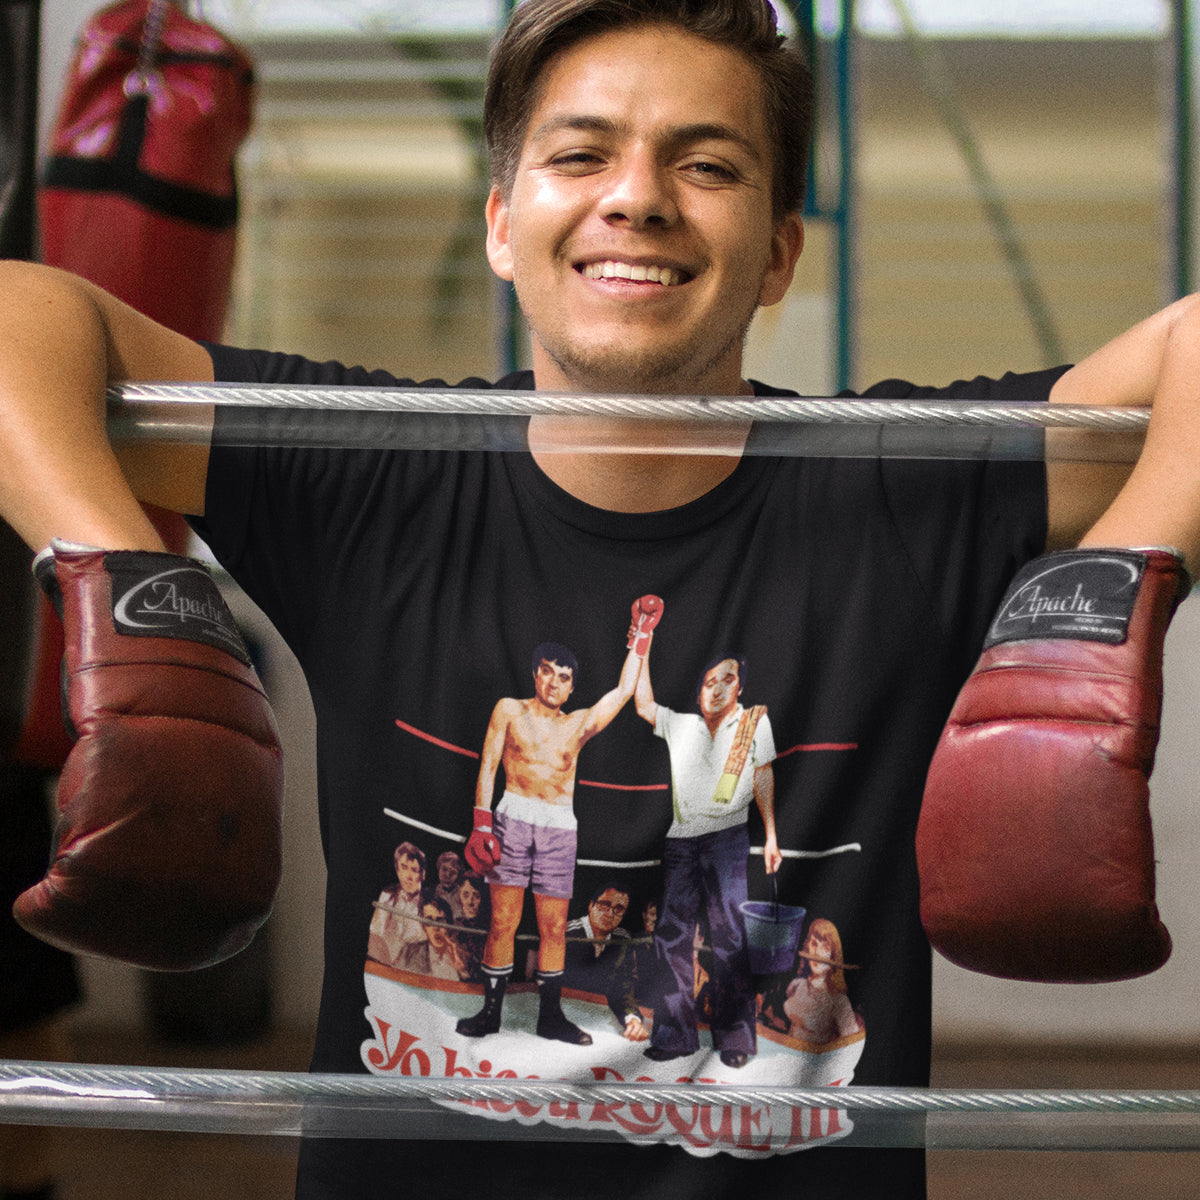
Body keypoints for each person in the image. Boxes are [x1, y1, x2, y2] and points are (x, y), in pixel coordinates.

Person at [1, 0, 1198, 1196]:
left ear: (780, 252)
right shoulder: (376, 479)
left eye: (707, 165)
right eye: (580, 154)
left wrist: (1096, 609)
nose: (637, 197)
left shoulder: (898, 495)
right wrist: (132, 596)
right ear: (501, 224)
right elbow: (20, 315)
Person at [457, 637, 644, 1044]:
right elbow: (488, 765)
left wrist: (641, 636)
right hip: (512, 817)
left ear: (572, 687)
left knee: (555, 928)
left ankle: (550, 1018)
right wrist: (482, 823)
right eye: (547, 671)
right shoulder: (509, 709)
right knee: (502, 922)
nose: (554, 682)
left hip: (559, 827)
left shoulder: (577, 724)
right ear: (535, 673)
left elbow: (624, 691)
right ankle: (490, 1014)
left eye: (564, 677)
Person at [634, 647, 781, 1068]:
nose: (716, 689)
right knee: (671, 936)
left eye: (727, 680)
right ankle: (675, 1037)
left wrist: (771, 835)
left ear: (740, 687)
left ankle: (735, 1039)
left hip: (728, 837)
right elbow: (643, 705)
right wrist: (644, 643)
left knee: (730, 935)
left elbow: (763, 775)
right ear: (699, 691)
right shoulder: (682, 725)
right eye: (708, 682)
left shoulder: (753, 721)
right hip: (681, 840)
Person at [561, 880, 649, 1041]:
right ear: (591, 905)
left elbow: (623, 988)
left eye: (618, 909)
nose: (609, 913)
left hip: (597, 1018)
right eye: (604, 905)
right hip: (563, 1015)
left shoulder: (623, 939)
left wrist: (632, 1019)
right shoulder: (566, 934)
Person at [761, 917, 861, 1046]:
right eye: (814, 944)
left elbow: (852, 1043)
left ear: (833, 954)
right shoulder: (797, 985)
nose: (817, 952)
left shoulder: (838, 1001)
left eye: (825, 947)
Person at [366, 842, 428, 972]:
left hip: (412, 970)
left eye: (414, 870)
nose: (408, 876)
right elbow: (375, 934)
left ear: (422, 874)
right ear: (397, 869)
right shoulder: (387, 896)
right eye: (404, 868)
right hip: (379, 965)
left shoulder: (430, 905)